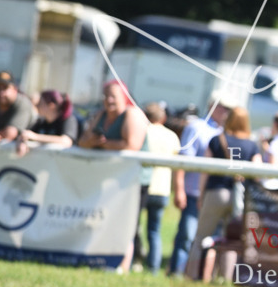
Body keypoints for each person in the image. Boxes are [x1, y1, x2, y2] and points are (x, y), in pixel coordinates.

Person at [79, 80, 148, 273]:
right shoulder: (101, 115)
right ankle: (99, 259)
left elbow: (131, 145)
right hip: (107, 179)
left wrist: (102, 143)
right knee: (102, 220)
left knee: (126, 223)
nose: (108, 100)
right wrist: (93, 141)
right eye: (105, 96)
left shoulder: (133, 114)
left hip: (133, 181)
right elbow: (83, 142)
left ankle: (123, 265)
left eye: (113, 96)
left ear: (124, 97)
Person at [184, 107, 261, 280]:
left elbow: (205, 170)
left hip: (216, 192)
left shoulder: (218, 139)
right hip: (240, 198)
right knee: (232, 241)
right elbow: (258, 174)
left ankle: (192, 274)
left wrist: (201, 195)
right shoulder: (252, 145)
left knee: (201, 237)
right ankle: (226, 278)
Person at [169, 99, 230, 276]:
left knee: (206, 240)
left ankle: (196, 273)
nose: (226, 112)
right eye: (223, 107)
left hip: (211, 195)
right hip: (193, 192)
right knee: (186, 236)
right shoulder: (196, 127)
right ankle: (177, 272)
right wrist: (179, 189)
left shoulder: (224, 132)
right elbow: (184, 160)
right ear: (212, 106)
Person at [138, 103, 181, 273]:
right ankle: (153, 267)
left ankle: (135, 260)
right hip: (162, 189)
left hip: (142, 186)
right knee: (154, 232)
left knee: (134, 227)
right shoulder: (171, 136)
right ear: (162, 118)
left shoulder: (143, 132)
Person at [15, 89, 79, 155]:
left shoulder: (68, 120)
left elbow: (66, 141)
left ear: (51, 105)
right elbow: (27, 135)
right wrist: (22, 142)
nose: (37, 106)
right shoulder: (41, 122)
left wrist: (36, 137)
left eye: (40, 103)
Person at [0, 71, 36, 143]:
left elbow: (9, 135)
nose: (1, 93)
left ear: (15, 90)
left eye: (5, 88)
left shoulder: (22, 103)